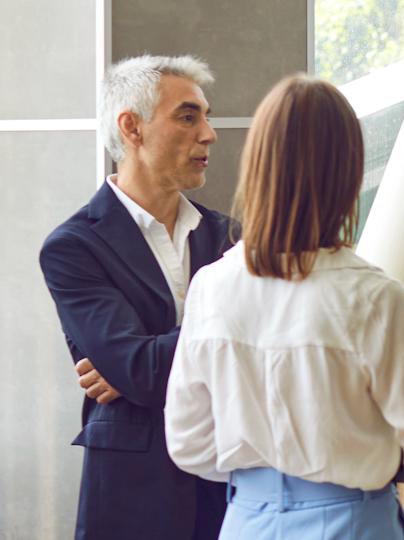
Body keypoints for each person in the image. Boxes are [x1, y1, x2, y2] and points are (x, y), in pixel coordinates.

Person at [163, 73, 404, 540]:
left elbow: (189, 444)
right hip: (352, 520)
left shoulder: (212, 287)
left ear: (258, 167)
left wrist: (267, 472)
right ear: (347, 173)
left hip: (246, 520)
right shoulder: (375, 297)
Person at [38, 55, 229, 539]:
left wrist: (137, 361)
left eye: (205, 117)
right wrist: (231, 340)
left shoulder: (230, 239)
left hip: (231, 487)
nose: (208, 133)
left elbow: (273, 348)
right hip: (134, 499)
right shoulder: (74, 246)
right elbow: (140, 372)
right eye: (188, 117)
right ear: (132, 128)